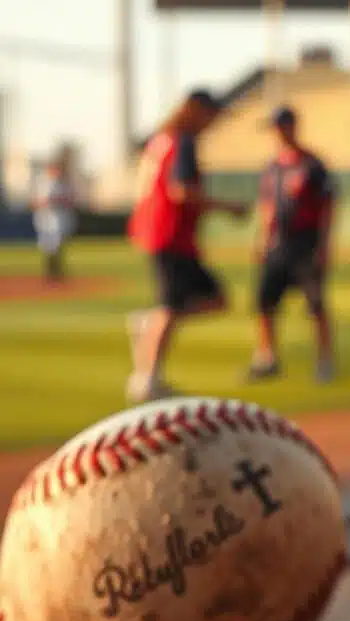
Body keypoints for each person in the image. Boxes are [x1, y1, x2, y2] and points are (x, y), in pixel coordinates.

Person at [125, 88, 248, 403]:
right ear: (195, 111)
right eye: (211, 115)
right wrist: (227, 207)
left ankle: (151, 328)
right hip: (170, 233)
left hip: (159, 230)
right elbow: (181, 191)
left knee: (212, 299)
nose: (213, 122)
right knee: (172, 305)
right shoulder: (183, 141)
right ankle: (147, 378)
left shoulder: (160, 140)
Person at [246, 106, 338, 383]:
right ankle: (267, 357)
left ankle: (325, 360)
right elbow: (267, 206)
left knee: (316, 305)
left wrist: (324, 245)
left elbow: (328, 206)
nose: (276, 133)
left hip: (305, 244)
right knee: (265, 303)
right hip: (278, 245)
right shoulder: (273, 166)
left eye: (279, 126)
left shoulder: (312, 165)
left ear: (291, 126)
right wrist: (262, 239)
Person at [31, 151, 76, 284]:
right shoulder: (42, 182)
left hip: (60, 219)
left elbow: (70, 200)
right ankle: (49, 275)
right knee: (47, 248)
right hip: (45, 220)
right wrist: (45, 202)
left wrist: (57, 201)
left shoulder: (64, 184)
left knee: (58, 247)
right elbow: (34, 202)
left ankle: (57, 274)